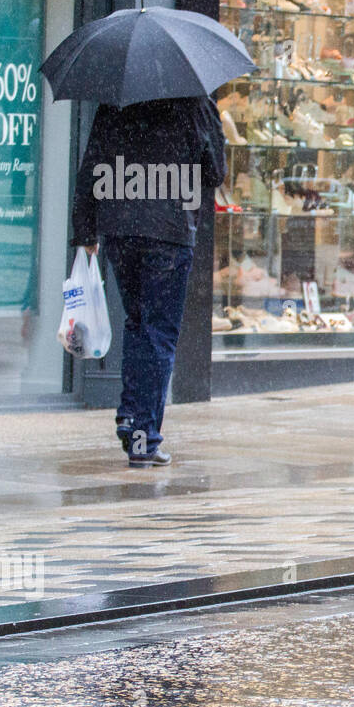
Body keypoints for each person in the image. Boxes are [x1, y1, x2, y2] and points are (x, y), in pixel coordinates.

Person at [70, 95, 226, 466]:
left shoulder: (115, 101)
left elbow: (92, 165)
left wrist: (85, 230)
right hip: (169, 230)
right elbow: (214, 172)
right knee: (158, 333)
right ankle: (143, 437)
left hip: (121, 228)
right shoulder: (195, 102)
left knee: (138, 323)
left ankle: (130, 417)